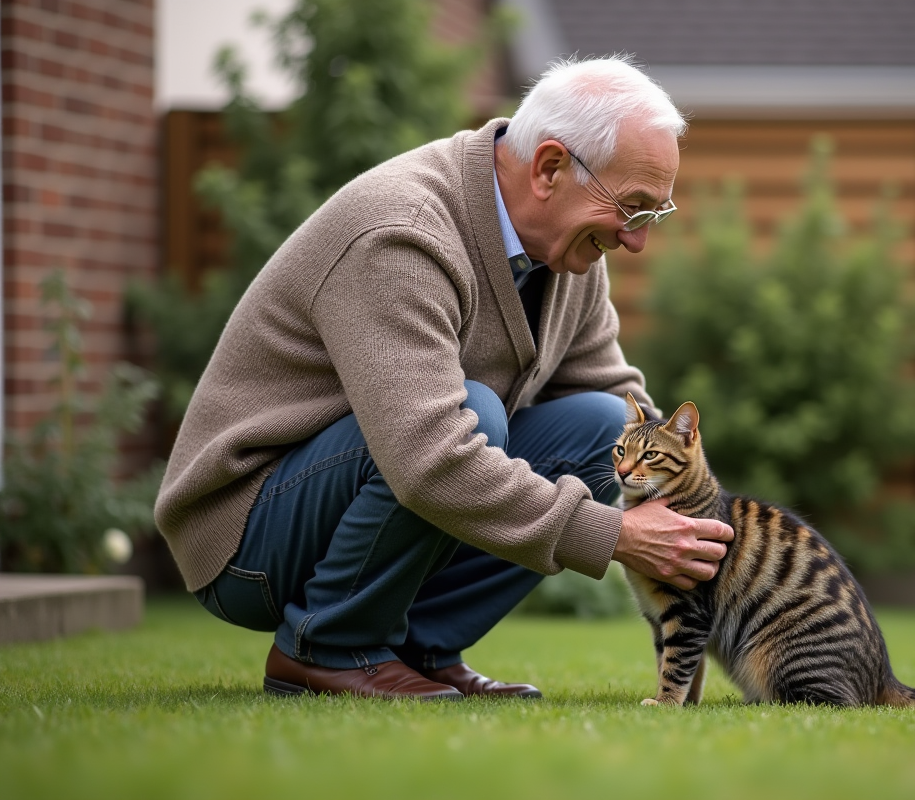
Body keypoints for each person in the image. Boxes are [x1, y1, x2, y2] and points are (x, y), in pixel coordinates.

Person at [154, 56, 734, 701]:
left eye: (653, 214)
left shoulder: (570, 254)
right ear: (549, 168)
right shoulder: (400, 232)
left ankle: (419, 648)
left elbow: (617, 400)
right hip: (249, 536)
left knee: (603, 426)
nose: (636, 241)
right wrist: (614, 533)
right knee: (473, 415)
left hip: (364, 489)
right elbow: (428, 457)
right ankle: (325, 647)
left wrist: (687, 524)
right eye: (632, 207)